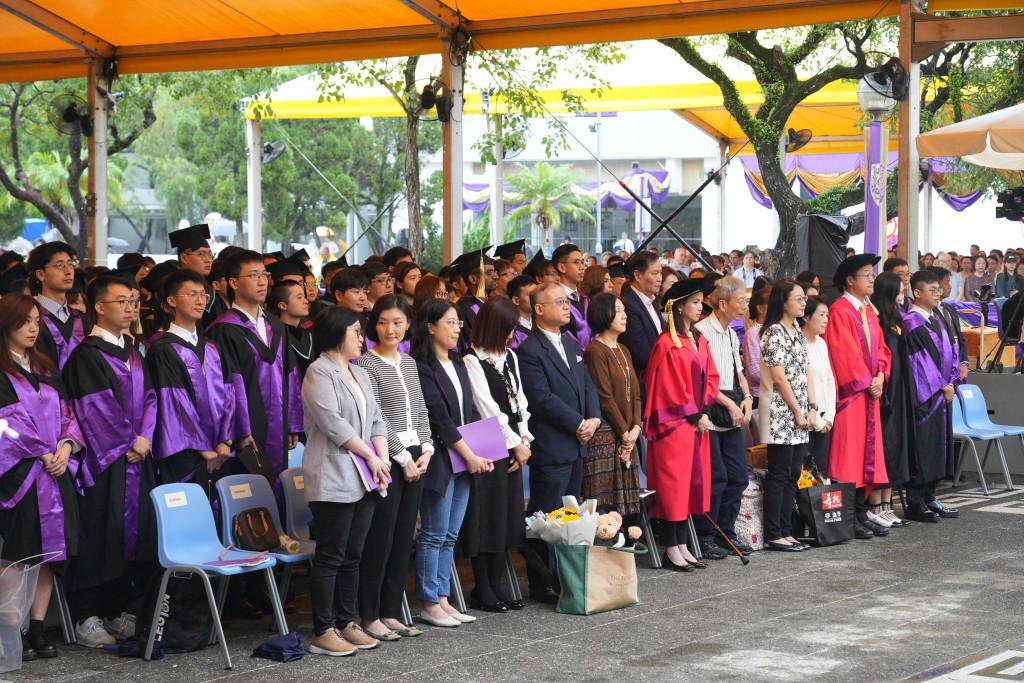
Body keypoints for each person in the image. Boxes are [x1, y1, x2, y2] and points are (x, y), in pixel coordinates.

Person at [63, 275, 158, 646]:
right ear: (99, 307)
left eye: (133, 301)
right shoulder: (86, 355)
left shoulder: (133, 349)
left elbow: (151, 397)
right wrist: (129, 440)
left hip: (138, 456)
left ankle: (118, 610)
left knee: (129, 537)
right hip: (104, 462)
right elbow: (94, 407)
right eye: (122, 301)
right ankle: (86, 616)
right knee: (99, 531)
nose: (130, 307)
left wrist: (146, 437)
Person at [302, 306, 389, 656]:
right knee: (331, 555)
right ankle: (322, 629)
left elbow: (378, 420)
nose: (361, 338)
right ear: (337, 333)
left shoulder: (360, 373)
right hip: (333, 475)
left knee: (353, 554)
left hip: (366, 476)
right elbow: (334, 424)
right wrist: (371, 457)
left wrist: (380, 459)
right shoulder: (318, 372)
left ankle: (345, 621)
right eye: (356, 331)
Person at [0, 294, 81, 662]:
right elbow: (7, 423)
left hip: (54, 473)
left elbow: (68, 414)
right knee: (20, 555)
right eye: (25, 321)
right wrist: (42, 450)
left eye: (36, 320)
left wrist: (66, 446)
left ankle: (36, 627)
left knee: (49, 554)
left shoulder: (45, 368)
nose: (33, 327)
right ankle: (10, 628)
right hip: (21, 476)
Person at [355, 296, 434, 640]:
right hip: (386, 455)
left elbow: (420, 409)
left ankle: (390, 611)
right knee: (380, 538)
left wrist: (427, 449)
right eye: (384, 322)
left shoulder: (409, 363)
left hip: (417, 452)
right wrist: (401, 457)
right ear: (374, 325)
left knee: (403, 538)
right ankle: (369, 614)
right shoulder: (365, 364)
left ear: (408, 326)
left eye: (398, 322)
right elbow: (377, 418)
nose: (391, 329)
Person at [517, 282, 600, 602]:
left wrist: (593, 418)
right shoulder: (529, 350)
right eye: (560, 302)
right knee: (545, 517)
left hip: (578, 442)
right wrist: (577, 422)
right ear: (539, 309)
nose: (568, 307)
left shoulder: (572, 344)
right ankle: (543, 582)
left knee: (568, 515)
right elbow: (540, 398)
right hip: (553, 444)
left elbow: (588, 384)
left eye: (568, 302)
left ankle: (567, 578)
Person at [413, 298, 494, 627]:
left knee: (450, 535)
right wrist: (470, 454)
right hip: (441, 459)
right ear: (430, 327)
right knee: (433, 534)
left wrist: (483, 451)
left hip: (465, 459)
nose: (457, 328)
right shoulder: (422, 367)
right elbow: (440, 420)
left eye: (458, 322)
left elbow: (471, 412)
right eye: (449, 322)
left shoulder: (460, 363)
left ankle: (444, 598)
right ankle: (428, 601)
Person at [207, 250, 303, 485]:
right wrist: (240, 430)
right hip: (245, 428)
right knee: (248, 490)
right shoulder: (223, 329)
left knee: (277, 486)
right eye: (253, 275)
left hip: (278, 423)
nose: (262, 282)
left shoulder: (277, 326)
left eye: (264, 274)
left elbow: (291, 374)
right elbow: (228, 385)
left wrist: (292, 423)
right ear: (233, 282)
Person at [462, 297, 532, 612]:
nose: (511, 335)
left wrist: (525, 437)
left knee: (507, 517)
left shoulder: (511, 357)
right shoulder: (471, 360)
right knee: (486, 517)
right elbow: (486, 406)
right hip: (487, 442)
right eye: (507, 328)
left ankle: (498, 585)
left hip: (514, 441)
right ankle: (483, 588)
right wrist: (513, 441)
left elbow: (520, 401)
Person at [644, 278, 718, 570]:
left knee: (689, 485)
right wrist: (695, 416)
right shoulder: (668, 343)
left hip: (696, 423)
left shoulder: (698, 339)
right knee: (673, 488)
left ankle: (683, 544)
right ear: (679, 307)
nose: (701, 308)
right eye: (696, 303)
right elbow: (671, 386)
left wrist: (706, 410)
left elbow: (711, 377)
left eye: (701, 302)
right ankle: (670, 547)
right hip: (674, 426)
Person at [146, 269, 238, 484]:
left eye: (204, 295)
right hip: (185, 455)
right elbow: (174, 405)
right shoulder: (163, 349)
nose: (200, 301)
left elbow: (229, 394)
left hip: (220, 451)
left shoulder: (213, 347)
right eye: (192, 294)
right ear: (171, 301)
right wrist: (204, 450)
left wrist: (225, 441)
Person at [823, 254, 891, 540]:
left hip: (869, 395)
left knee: (866, 457)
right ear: (850, 281)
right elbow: (844, 355)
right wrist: (867, 382)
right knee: (849, 457)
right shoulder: (840, 312)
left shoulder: (867, 311)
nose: (872, 278)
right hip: (851, 398)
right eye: (866, 274)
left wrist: (880, 376)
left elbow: (882, 350)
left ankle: (861, 513)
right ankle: (849, 518)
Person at [694, 276, 755, 559]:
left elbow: (739, 372)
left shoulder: (732, 333)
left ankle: (726, 533)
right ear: (721, 303)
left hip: (731, 412)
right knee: (715, 477)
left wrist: (746, 398)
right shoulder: (701, 330)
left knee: (738, 476)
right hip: (711, 414)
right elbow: (704, 379)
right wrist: (729, 404)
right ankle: (706, 536)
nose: (745, 305)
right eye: (740, 300)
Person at [758, 280, 815, 552]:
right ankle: (774, 533)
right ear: (783, 302)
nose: (804, 303)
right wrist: (797, 410)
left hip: (800, 412)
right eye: (799, 299)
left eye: (805, 299)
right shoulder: (773, 333)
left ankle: (786, 531)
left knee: (793, 473)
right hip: (782, 412)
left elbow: (807, 373)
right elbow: (779, 379)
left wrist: (812, 407)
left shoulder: (797, 331)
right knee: (779, 474)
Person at [902, 270, 961, 523]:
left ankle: (929, 496)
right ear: (917, 293)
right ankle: (915, 502)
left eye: (939, 290)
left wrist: (951, 381)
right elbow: (920, 364)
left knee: (937, 445)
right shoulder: (912, 322)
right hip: (926, 398)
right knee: (924, 447)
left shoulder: (936, 318)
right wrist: (941, 386)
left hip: (942, 394)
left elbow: (953, 351)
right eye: (933, 290)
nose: (938, 294)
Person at [582, 293, 642, 519]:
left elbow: (636, 394)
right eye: (618, 310)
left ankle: (625, 551)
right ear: (602, 314)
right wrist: (625, 433)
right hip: (607, 435)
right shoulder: (595, 350)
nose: (624, 316)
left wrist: (635, 429)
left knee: (627, 509)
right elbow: (604, 398)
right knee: (606, 508)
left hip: (628, 433)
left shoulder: (624, 349)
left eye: (624, 310)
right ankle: (605, 553)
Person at [869, 273, 912, 529]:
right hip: (886, 393)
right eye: (898, 291)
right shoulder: (878, 322)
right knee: (883, 448)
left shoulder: (896, 320)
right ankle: (876, 505)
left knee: (895, 449)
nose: (902, 295)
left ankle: (887, 504)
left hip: (900, 390)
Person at [27, 242, 93, 370]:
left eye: (70, 264)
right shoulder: (30, 319)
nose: (69, 271)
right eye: (60, 265)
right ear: (41, 274)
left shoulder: (83, 319)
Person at [799, 296, 837, 482]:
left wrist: (829, 415)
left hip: (824, 416)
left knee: (821, 470)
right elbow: (799, 385)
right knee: (804, 471)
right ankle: (804, 510)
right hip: (806, 417)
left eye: (827, 315)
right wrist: (818, 422)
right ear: (806, 317)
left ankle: (818, 511)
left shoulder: (821, 343)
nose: (826, 320)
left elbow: (829, 380)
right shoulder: (798, 344)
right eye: (821, 315)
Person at [169, 223, 226, 330]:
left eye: (210, 254)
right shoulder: (170, 289)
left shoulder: (212, 293)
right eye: (201, 254)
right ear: (183, 258)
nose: (208, 260)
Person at [619, 251, 663, 383]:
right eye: (655, 273)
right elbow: (640, 354)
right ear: (637, 275)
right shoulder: (628, 305)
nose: (660, 278)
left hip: (657, 376)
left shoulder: (652, 300)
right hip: (643, 380)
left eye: (660, 273)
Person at [928, 266, 970, 383]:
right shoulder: (929, 312)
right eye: (946, 282)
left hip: (958, 370)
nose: (950, 286)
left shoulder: (950, 309)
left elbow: (960, 339)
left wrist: (963, 362)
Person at [268, 279, 316, 379]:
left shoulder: (308, 335)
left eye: (304, 296)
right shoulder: (275, 339)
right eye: (299, 298)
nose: (306, 301)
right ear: (282, 305)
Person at [551, 243, 592, 349]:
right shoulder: (552, 301)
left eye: (583, 262)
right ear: (561, 267)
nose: (582, 267)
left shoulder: (585, 299)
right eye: (576, 262)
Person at [744, 287, 770, 409]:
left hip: (775, 392)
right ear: (760, 308)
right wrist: (780, 378)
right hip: (760, 395)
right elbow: (754, 371)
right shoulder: (753, 333)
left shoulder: (775, 330)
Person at [508, 275, 536, 349]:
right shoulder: (510, 331)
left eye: (536, 293)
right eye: (531, 295)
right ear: (516, 300)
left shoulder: (540, 326)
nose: (536, 298)